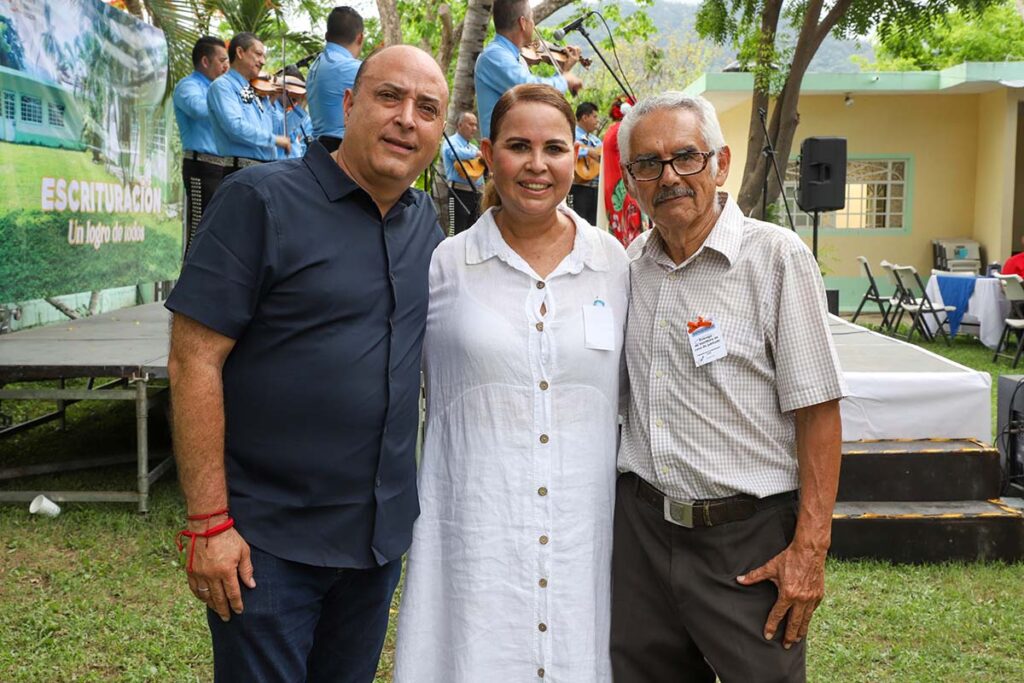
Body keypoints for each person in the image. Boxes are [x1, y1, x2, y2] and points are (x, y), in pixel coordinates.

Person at [165, 45, 449, 683]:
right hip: (268, 547)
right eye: (389, 97)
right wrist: (208, 522)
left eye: (427, 109)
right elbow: (192, 360)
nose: (407, 119)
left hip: (375, 545)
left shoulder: (424, 224)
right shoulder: (259, 201)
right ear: (347, 105)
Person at [394, 83, 629, 682]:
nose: (536, 164)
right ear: (489, 154)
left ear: (575, 155)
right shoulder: (444, 264)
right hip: (475, 538)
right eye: (518, 146)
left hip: (582, 538)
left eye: (554, 147)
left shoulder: (615, 265)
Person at [611, 93, 847, 682]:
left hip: (747, 543)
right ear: (632, 180)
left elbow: (818, 412)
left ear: (721, 163)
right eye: (648, 164)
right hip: (641, 537)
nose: (669, 177)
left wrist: (810, 552)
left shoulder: (776, 258)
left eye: (685, 157)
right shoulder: (629, 267)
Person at [474, 0, 583, 140]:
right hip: (503, 153)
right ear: (523, 23)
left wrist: (564, 71)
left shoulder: (514, 57)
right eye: (532, 19)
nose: (533, 24)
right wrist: (564, 80)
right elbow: (530, 90)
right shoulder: (493, 55)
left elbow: (542, 98)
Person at [173, 36, 229, 252]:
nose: (227, 66)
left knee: (219, 230)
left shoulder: (219, 89)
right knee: (199, 227)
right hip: (201, 167)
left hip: (222, 166)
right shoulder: (188, 86)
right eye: (222, 60)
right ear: (205, 62)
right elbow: (197, 109)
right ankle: (190, 283)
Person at [207, 32, 291, 166]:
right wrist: (274, 139)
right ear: (240, 52)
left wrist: (271, 102)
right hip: (241, 169)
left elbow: (273, 129)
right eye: (258, 54)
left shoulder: (256, 89)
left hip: (263, 169)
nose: (263, 61)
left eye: (264, 56)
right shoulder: (223, 86)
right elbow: (235, 127)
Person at [307, 6, 364, 151]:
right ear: (360, 38)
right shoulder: (351, 68)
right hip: (339, 150)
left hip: (317, 149)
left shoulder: (315, 65)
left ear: (326, 36)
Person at [601, 95, 645, 247]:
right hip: (624, 185)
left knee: (620, 222)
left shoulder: (610, 131)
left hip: (612, 186)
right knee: (632, 223)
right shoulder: (623, 131)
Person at [441, 111, 484, 235]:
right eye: (470, 124)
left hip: (476, 195)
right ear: (459, 125)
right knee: (456, 231)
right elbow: (454, 153)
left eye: (475, 125)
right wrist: (476, 154)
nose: (474, 129)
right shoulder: (451, 142)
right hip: (458, 194)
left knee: (473, 233)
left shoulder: (472, 147)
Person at [569, 101, 602, 225]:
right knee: (579, 223)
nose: (597, 120)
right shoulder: (571, 134)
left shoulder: (596, 141)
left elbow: (601, 155)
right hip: (579, 188)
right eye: (594, 116)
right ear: (584, 117)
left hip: (595, 189)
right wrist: (587, 152)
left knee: (594, 225)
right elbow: (569, 148)